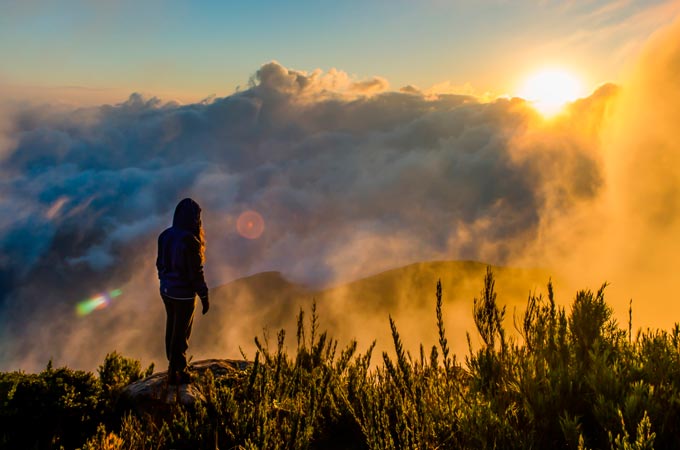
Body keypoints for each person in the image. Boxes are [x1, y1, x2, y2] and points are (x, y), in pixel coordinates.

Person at [156, 198, 209, 385]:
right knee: (181, 332)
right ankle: (178, 371)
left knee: (171, 327)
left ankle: (172, 365)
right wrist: (204, 296)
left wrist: (164, 282)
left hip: (166, 291)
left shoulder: (164, 235)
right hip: (183, 295)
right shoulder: (191, 241)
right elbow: (196, 274)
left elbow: (159, 264)